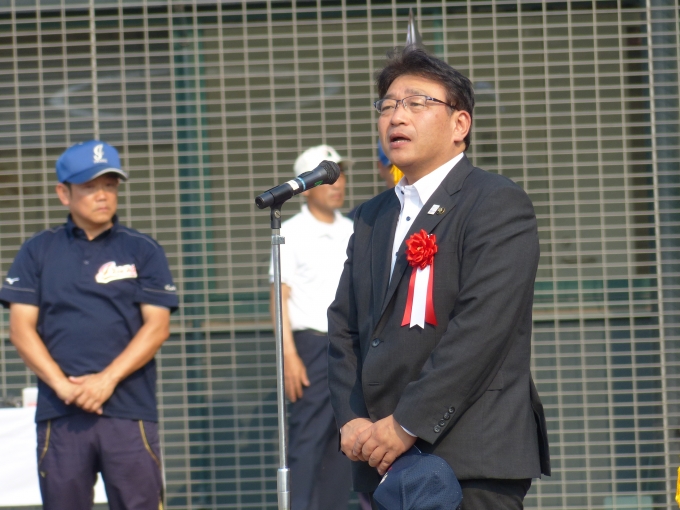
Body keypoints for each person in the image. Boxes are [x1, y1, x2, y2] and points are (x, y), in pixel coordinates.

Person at [327, 47, 551, 510]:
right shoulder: (371, 216)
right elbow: (345, 325)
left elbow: (482, 330)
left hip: (470, 452)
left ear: (459, 124)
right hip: (383, 460)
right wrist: (351, 419)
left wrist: (406, 423)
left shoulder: (495, 202)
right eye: (387, 105)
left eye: (416, 102)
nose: (396, 116)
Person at [0, 140, 179, 510]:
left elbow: (157, 327)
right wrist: (63, 386)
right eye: (90, 186)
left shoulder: (142, 249)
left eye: (110, 185)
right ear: (63, 193)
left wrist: (105, 381)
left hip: (129, 412)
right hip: (61, 413)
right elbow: (20, 329)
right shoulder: (38, 250)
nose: (103, 195)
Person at [269, 145, 354, 510]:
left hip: (352, 346)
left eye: (340, 175)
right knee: (308, 439)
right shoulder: (291, 231)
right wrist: (289, 355)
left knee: (345, 440)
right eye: (327, 178)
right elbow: (279, 296)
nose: (338, 184)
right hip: (311, 347)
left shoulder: (354, 229)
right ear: (305, 187)